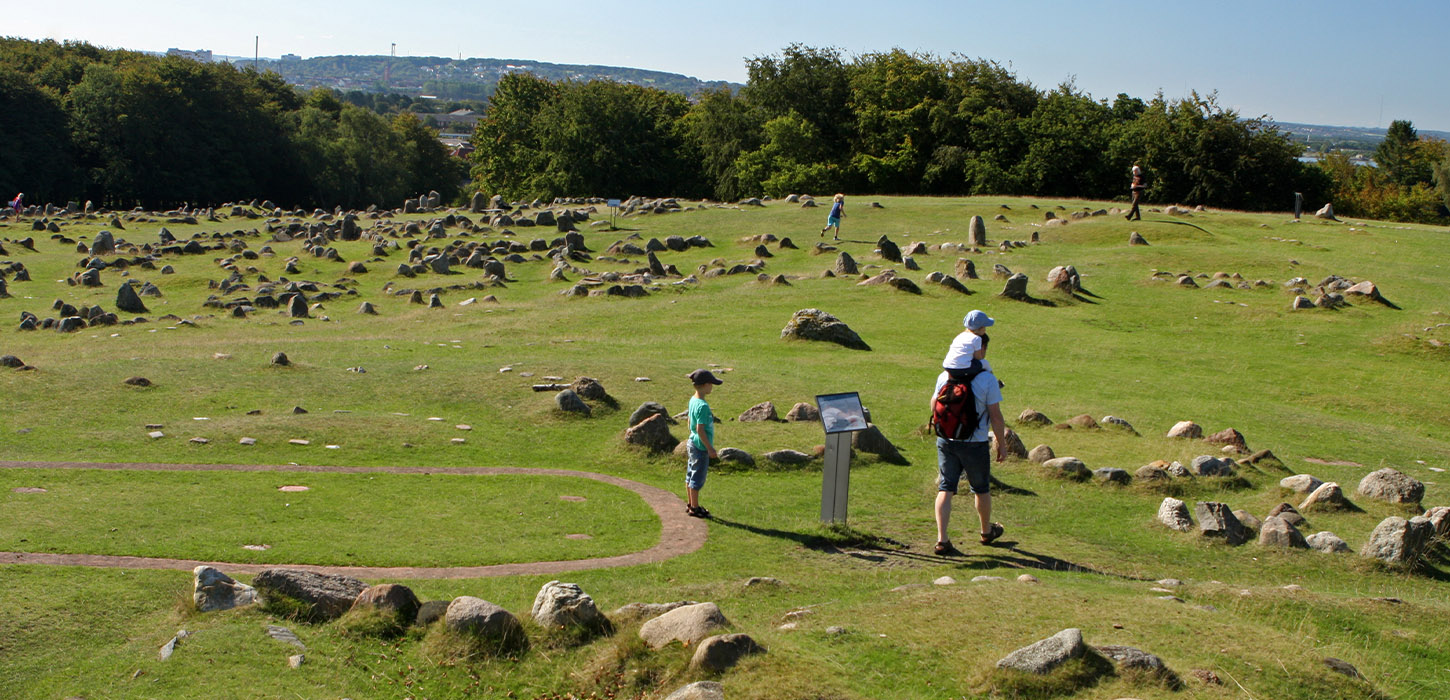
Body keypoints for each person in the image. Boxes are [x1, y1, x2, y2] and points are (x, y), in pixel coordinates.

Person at [930, 313, 1008, 556]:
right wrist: (1002, 444)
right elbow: (995, 415)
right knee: (981, 488)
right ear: (981, 349)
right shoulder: (987, 379)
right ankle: (986, 532)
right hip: (974, 443)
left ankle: (942, 539)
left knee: (946, 488)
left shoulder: (945, 376)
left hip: (946, 439)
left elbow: (934, 403)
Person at [685, 368, 723, 518]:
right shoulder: (703, 406)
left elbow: (690, 422)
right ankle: (695, 508)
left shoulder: (693, 400)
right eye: (711, 384)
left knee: (690, 475)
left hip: (692, 442)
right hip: (700, 447)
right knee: (697, 478)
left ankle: (690, 504)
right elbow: (700, 429)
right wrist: (710, 448)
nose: (712, 387)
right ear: (706, 385)